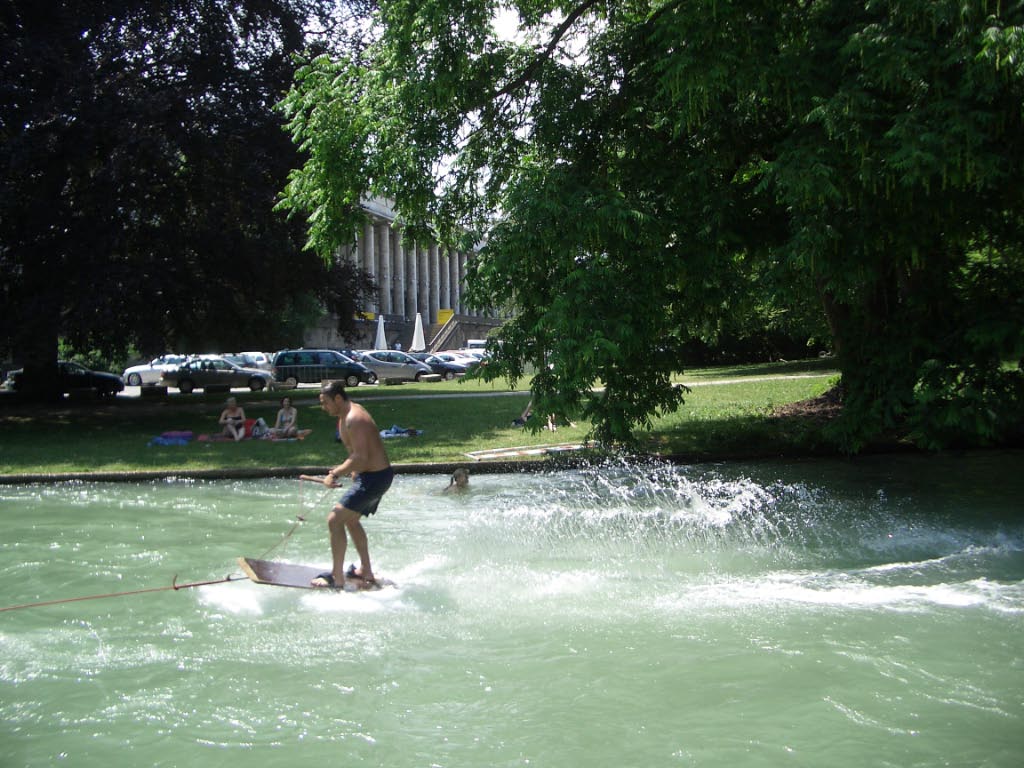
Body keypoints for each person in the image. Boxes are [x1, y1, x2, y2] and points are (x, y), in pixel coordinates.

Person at [311, 380, 394, 590]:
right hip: (371, 476)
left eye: (325, 402)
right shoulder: (344, 416)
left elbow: (360, 457)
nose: (323, 407)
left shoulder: (355, 418)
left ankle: (336, 577)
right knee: (350, 520)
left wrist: (335, 473)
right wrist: (354, 471)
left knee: (334, 520)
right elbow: (357, 454)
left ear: (338, 398)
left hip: (375, 478)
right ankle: (366, 570)